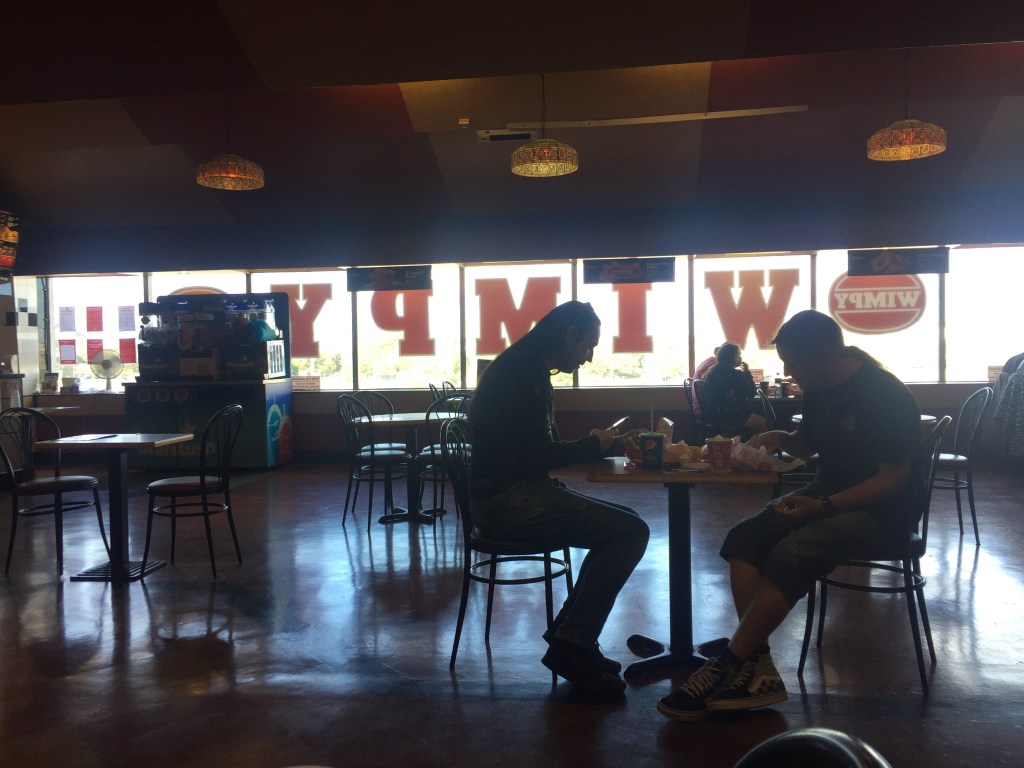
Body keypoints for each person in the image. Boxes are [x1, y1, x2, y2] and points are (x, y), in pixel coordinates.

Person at [657, 309, 921, 721]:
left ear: (827, 353)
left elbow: (893, 480)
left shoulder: (883, 393)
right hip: (824, 495)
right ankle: (756, 666)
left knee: (791, 552)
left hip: (881, 512)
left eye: (794, 361)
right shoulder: (819, 388)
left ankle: (729, 665)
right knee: (743, 539)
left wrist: (825, 506)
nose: (789, 372)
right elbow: (807, 443)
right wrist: (780, 437)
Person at [470, 301, 650, 697]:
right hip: (508, 504)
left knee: (626, 522)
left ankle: (571, 637)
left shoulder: (522, 367)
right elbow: (538, 456)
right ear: (570, 335)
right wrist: (594, 444)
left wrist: (599, 443)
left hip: (502, 497)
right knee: (631, 531)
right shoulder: (525, 376)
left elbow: (533, 450)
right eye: (588, 346)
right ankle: (573, 642)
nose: (589, 357)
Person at [700, 342, 767, 437]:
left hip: (711, 416)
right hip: (730, 417)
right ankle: (749, 446)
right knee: (764, 424)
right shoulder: (736, 375)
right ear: (733, 357)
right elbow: (751, 393)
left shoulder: (710, 372)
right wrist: (747, 371)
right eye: (739, 354)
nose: (740, 357)